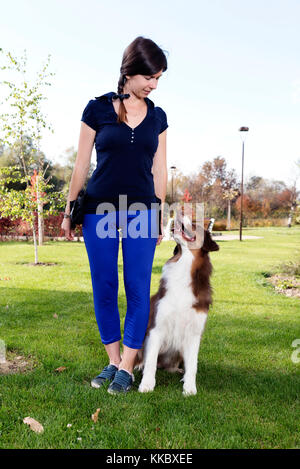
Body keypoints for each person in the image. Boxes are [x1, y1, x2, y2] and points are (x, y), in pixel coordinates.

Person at [61, 36, 168, 394]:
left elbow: (160, 169)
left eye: (158, 79)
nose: (153, 85)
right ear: (130, 71)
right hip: (99, 211)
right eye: (150, 77)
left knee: (138, 288)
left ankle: (128, 364)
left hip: (141, 212)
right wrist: (68, 210)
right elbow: (80, 164)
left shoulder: (158, 117)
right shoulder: (97, 109)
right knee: (104, 286)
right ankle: (112, 359)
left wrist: (158, 214)